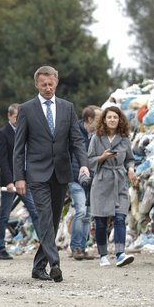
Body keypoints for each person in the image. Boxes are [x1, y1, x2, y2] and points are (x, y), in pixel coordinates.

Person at [13, 65, 89, 282]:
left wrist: (83, 164)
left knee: (53, 220)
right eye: (43, 84)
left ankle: (38, 267)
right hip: (36, 172)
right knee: (45, 217)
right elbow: (19, 147)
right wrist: (19, 176)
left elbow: (77, 140)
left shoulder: (67, 108)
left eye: (51, 84)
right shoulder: (27, 109)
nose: (48, 88)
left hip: (61, 172)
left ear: (56, 82)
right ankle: (55, 263)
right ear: (37, 84)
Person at [88, 105, 138, 267]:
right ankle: (103, 255)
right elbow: (89, 160)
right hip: (101, 181)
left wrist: (130, 169)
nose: (112, 120)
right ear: (104, 119)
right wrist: (101, 157)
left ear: (119, 120)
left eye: (115, 117)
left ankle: (120, 254)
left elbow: (130, 158)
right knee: (101, 221)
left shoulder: (124, 139)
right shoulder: (96, 138)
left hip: (119, 181)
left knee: (120, 218)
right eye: (109, 117)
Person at [0, 103, 40, 260]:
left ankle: (45, 245)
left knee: (34, 211)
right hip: (9, 182)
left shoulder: (27, 132)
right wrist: (9, 182)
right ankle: (0, 248)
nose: (19, 120)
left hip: (25, 180)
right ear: (9, 116)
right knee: (4, 215)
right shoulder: (3, 133)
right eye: (16, 117)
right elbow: (3, 160)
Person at [68, 105, 102, 260]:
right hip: (75, 179)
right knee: (81, 211)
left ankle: (82, 247)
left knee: (88, 215)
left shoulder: (96, 136)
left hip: (91, 180)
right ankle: (75, 247)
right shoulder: (75, 133)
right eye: (99, 118)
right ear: (90, 119)